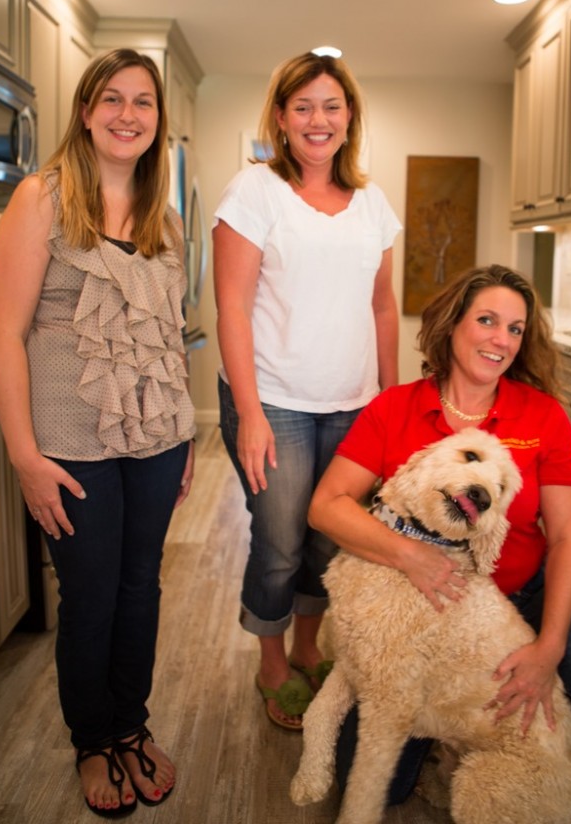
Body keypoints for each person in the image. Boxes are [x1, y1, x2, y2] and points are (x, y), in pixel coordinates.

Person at [308, 263, 571, 803]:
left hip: (525, 596)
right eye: (488, 320)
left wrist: (549, 649)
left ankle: (525, 730)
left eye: (515, 328)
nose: (501, 339)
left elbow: (567, 537)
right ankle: (450, 725)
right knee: (378, 779)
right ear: (452, 325)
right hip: (425, 610)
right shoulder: (395, 408)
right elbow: (326, 507)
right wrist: (409, 556)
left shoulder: (542, 417)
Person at [0, 49, 196, 818]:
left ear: (156, 121)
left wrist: (188, 433)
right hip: (69, 441)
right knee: (90, 596)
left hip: (156, 436)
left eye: (143, 103)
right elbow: (3, 336)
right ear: (85, 111)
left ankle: (131, 727)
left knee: (142, 588)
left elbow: (168, 335)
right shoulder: (40, 200)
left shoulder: (163, 218)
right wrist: (23, 457)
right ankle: (93, 740)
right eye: (112, 99)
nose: (127, 115)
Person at [213, 50, 401, 730]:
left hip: (353, 404)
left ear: (349, 117)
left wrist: (393, 403)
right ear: (283, 119)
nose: (318, 120)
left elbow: (383, 307)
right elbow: (231, 308)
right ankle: (270, 659)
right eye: (303, 107)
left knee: (328, 540)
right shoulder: (254, 191)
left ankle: (308, 644)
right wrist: (251, 413)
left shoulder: (373, 203)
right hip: (277, 403)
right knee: (280, 540)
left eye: (331, 106)